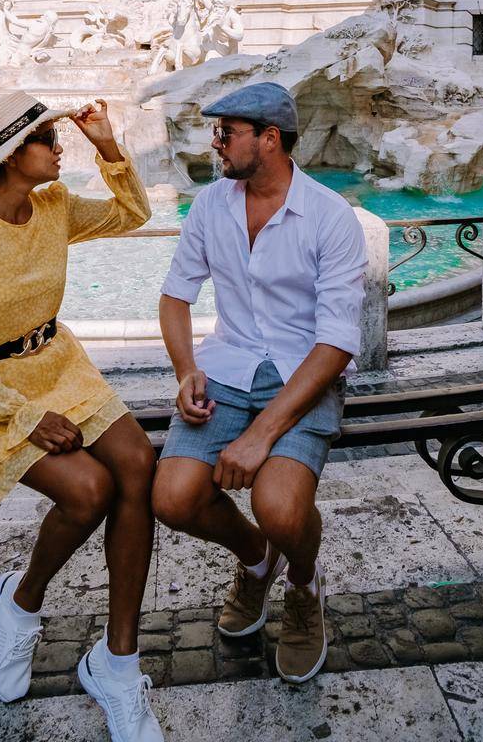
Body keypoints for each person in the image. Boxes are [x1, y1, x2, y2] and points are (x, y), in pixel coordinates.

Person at [0, 91, 164, 741]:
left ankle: (117, 663)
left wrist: (109, 144)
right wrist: (23, 416)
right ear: (10, 156)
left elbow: (133, 212)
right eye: (48, 140)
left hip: (62, 366)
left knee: (139, 464)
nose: (61, 149)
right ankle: (21, 602)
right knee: (90, 492)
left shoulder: (55, 206)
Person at [151, 81, 366, 685]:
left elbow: (337, 342)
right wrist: (186, 369)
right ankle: (254, 559)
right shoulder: (210, 205)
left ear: (269, 140)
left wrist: (261, 436)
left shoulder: (329, 216)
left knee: (279, 506)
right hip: (226, 366)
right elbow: (175, 296)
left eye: (226, 133)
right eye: (215, 132)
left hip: (304, 375)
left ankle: (302, 584)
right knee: (172, 498)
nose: (214, 144)